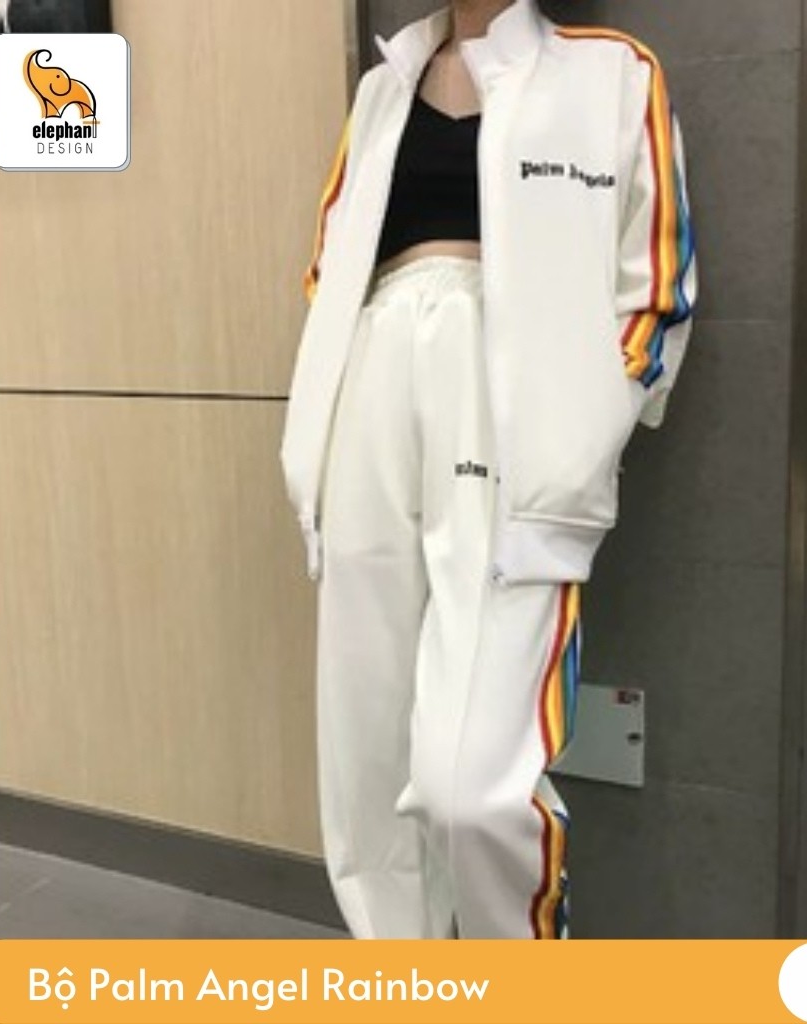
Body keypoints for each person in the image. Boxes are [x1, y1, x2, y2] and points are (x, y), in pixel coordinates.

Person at [280, 0, 697, 940]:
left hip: (514, 416)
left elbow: (658, 287)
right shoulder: (381, 90)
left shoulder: (614, 74)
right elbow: (329, 266)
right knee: (364, 767)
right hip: (371, 391)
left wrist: (587, 422)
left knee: (471, 790)